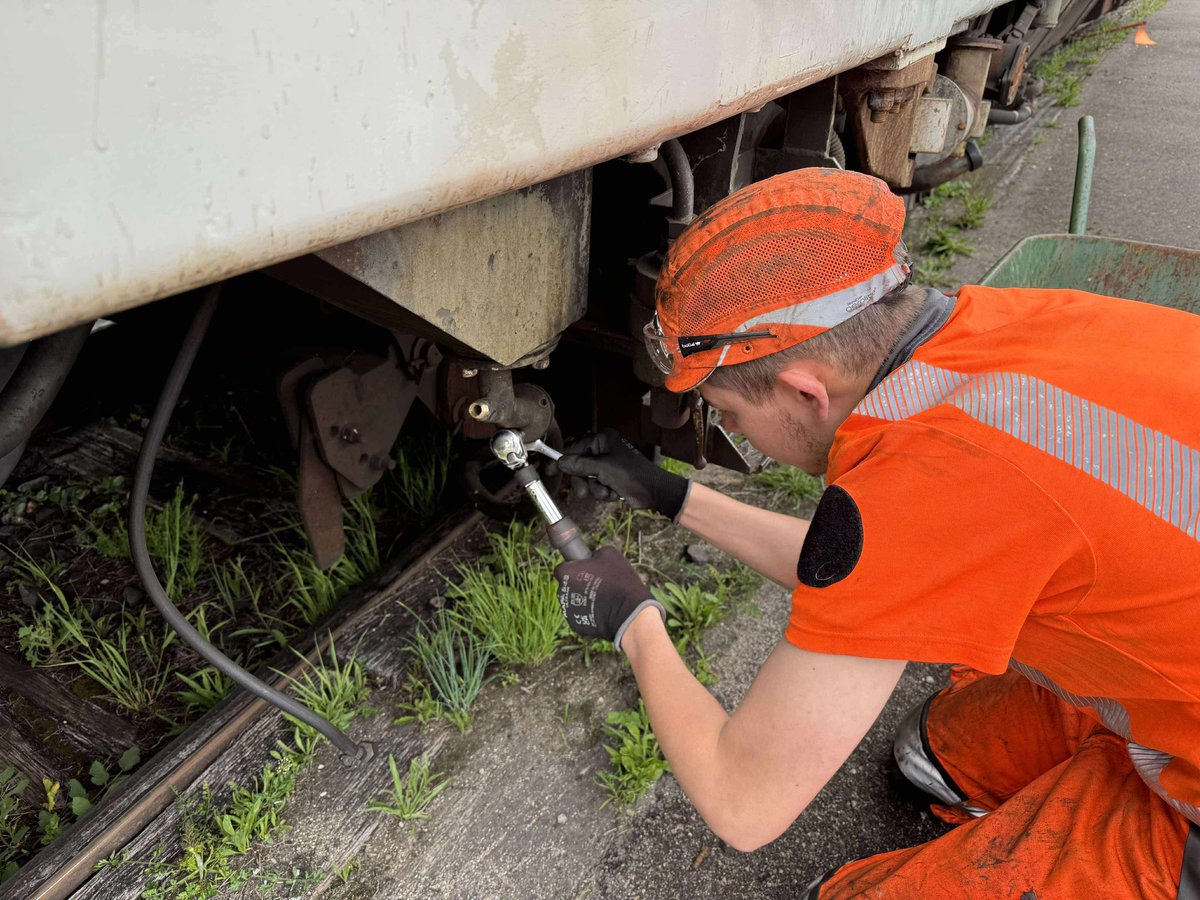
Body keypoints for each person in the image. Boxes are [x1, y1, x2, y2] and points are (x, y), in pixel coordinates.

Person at [551, 167, 1200, 897]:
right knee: (937, 755)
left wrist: (631, 621)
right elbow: (886, 577)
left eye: (726, 410)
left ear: (805, 389)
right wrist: (672, 496)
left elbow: (742, 802)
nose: (729, 428)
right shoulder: (1002, 326)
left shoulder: (929, 481)